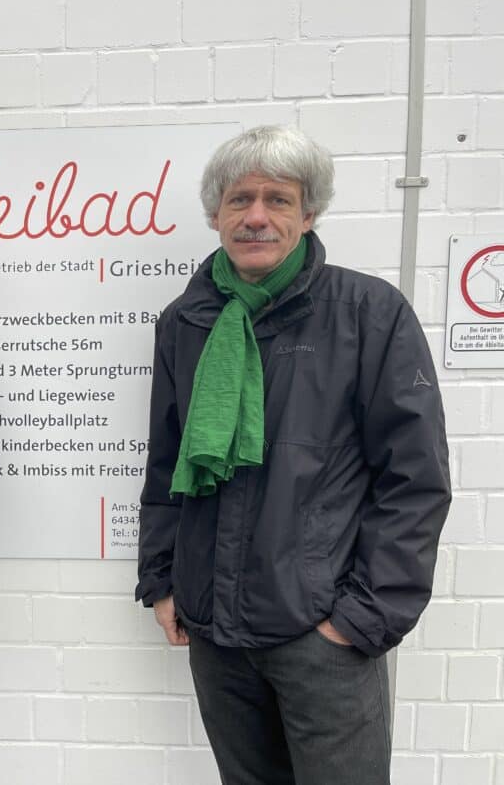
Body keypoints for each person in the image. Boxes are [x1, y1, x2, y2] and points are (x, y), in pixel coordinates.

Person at [136, 125, 450, 785]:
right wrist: (164, 580)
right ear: (216, 213)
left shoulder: (369, 315)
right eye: (240, 199)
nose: (256, 216)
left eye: (277, 199)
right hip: (214, 632)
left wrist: (361, 618)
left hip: (321, 635)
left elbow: (415, 481)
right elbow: (166, 465)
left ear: (308, 214)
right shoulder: (185, 322)